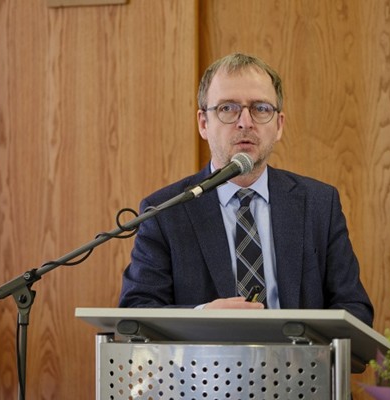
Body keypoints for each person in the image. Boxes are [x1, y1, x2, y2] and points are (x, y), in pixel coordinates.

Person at [119, 53, 374, 327]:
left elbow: (355, 310)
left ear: (279, 125)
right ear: (204, 124)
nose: (245, 122)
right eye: (228, 108)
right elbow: (136, 311)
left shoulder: (319, 204)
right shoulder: (165, 211)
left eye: (260, 108)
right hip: (203, 355)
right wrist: (202, 317)